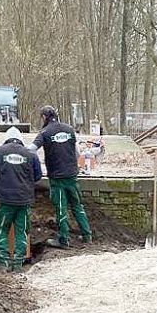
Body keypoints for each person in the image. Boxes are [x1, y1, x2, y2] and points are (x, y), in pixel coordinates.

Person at [29, 105, 92, 248]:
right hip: (71, 175)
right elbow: (77, 153)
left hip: (57, 177)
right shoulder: (69, 129)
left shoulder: (44, 133)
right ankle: (87, 235)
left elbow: (31, 150)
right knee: (77, 205)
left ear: (44, 117)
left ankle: (64, 240)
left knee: (61, 208)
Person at [0, 127, 42, 271]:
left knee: (1, 228)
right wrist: (27, 183)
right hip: (24, 200)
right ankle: (18, 264)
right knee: (21, 231)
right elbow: (38, 176)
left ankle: (3, 262)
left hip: (5, 199)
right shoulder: (31, 154)